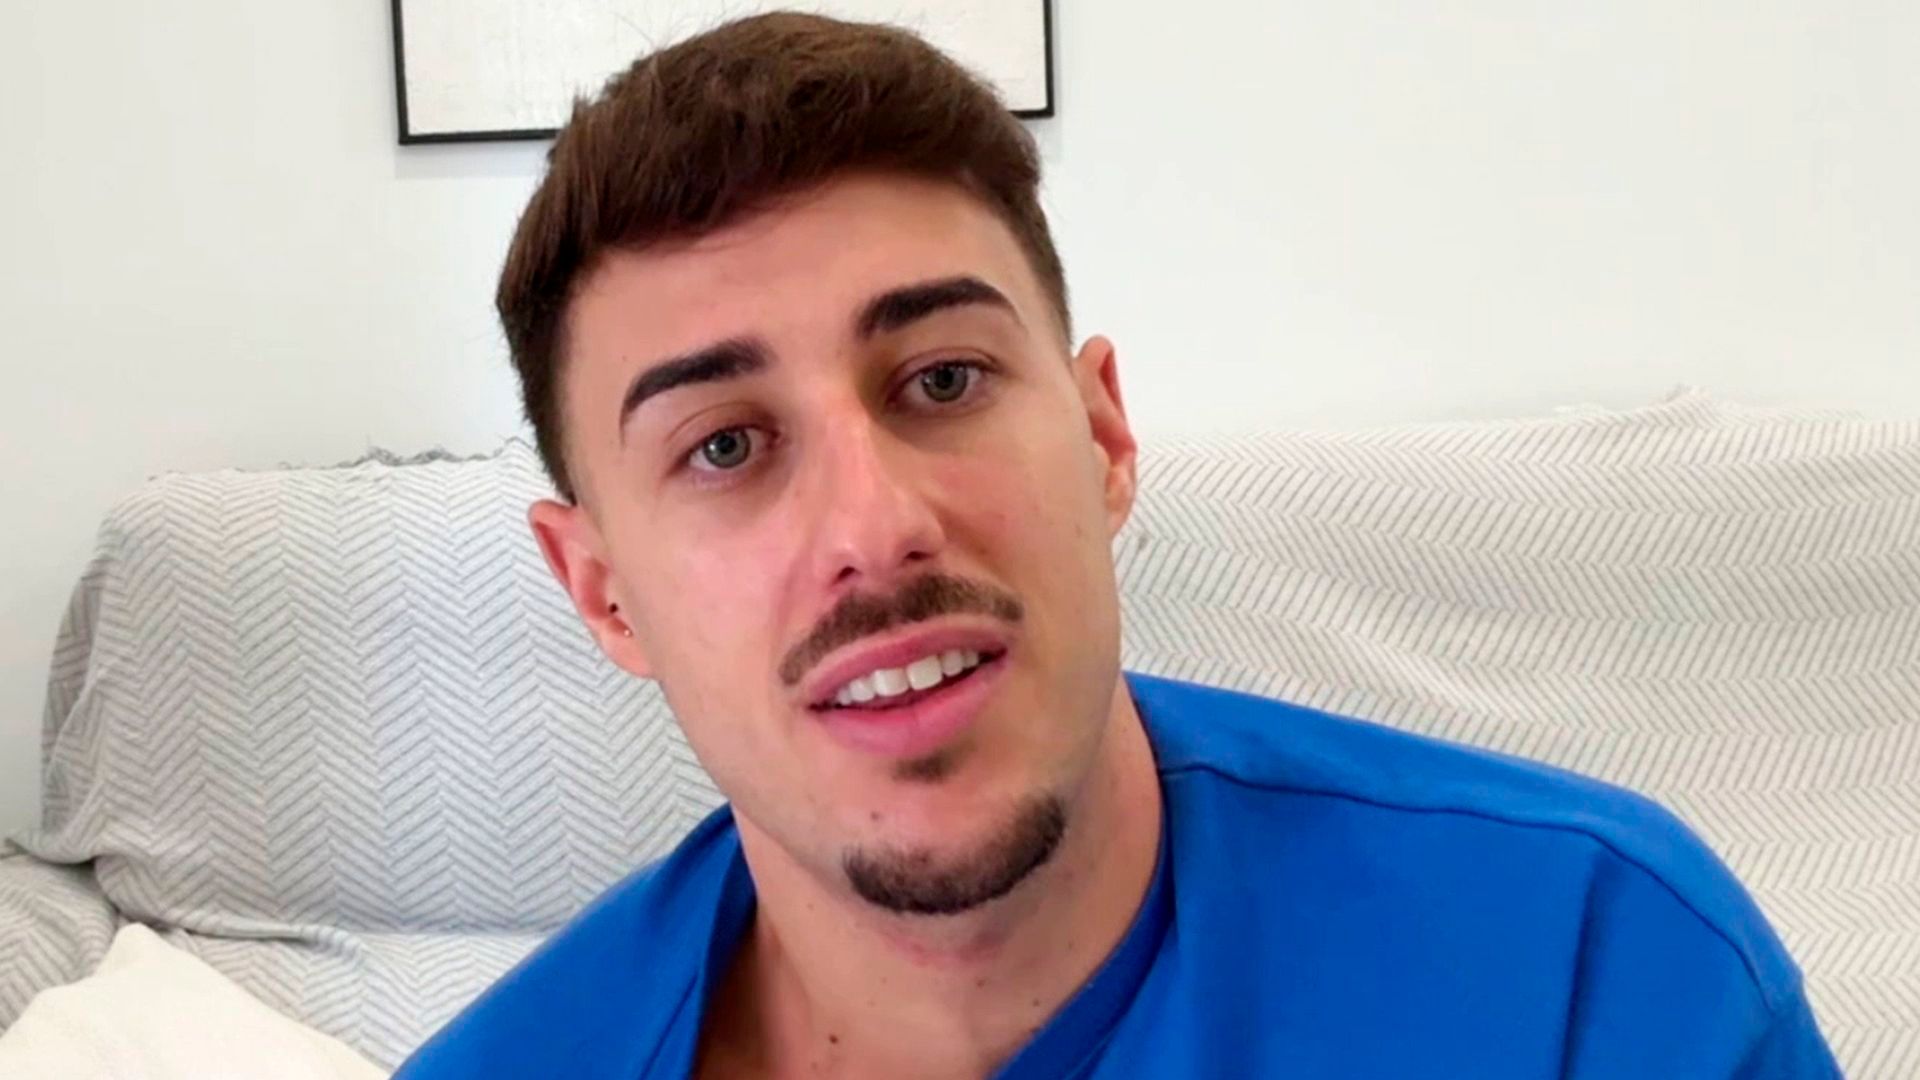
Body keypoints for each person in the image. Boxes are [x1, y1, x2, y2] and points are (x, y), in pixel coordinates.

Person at [394, 13, 1839, 1079]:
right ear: (603, 595)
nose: (877, 528)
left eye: (942, 379)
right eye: (724, 447)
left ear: (1101, 438)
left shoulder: (1596, 972)